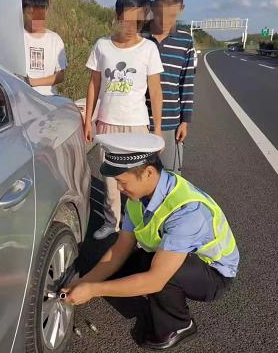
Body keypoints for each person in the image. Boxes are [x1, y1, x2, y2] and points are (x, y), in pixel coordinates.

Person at [63, 133, 239, 350]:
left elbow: (155, 279)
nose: (118, 188)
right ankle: (153, 296)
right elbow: (120, 248)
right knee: (122, 271)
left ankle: (179, 325)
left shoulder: (187, 212)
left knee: (163, 277)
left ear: (147, 172)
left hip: (213, 273)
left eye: (122, 181)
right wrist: (86, 281)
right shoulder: (139, 196)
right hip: (173, 253)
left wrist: (94, 290)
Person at [83, 0, 164, 240]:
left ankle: (139, 227)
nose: (130, 28)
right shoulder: (102, 46)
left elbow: (155, 89)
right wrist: (88, 119)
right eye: (126, 21)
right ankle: (111, 222)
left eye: (137, 22)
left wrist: (157, 129)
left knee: (139, 179)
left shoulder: (148, 48)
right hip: (108, 124)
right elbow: (94, 85)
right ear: (117, 17)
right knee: (110, 179)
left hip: (137, 125)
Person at [144, 0, 195, 172]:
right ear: (152, 7)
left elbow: (187, 83)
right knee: (138, 177)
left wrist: (185, 121)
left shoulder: (185, 41)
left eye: (172, 16)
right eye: (160, 15)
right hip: (138, 122)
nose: (165, 21)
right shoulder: (138, 36)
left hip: (171, 123)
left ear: (181, 9)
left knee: (170, 177)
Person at [21, 0, 67, 96]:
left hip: (47, 99)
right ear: (23, 11)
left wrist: (32, 82)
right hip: (20, 96)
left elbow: (60, 76)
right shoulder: (16, 36)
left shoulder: (55, 40)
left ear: (46, 11)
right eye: (30, 13)